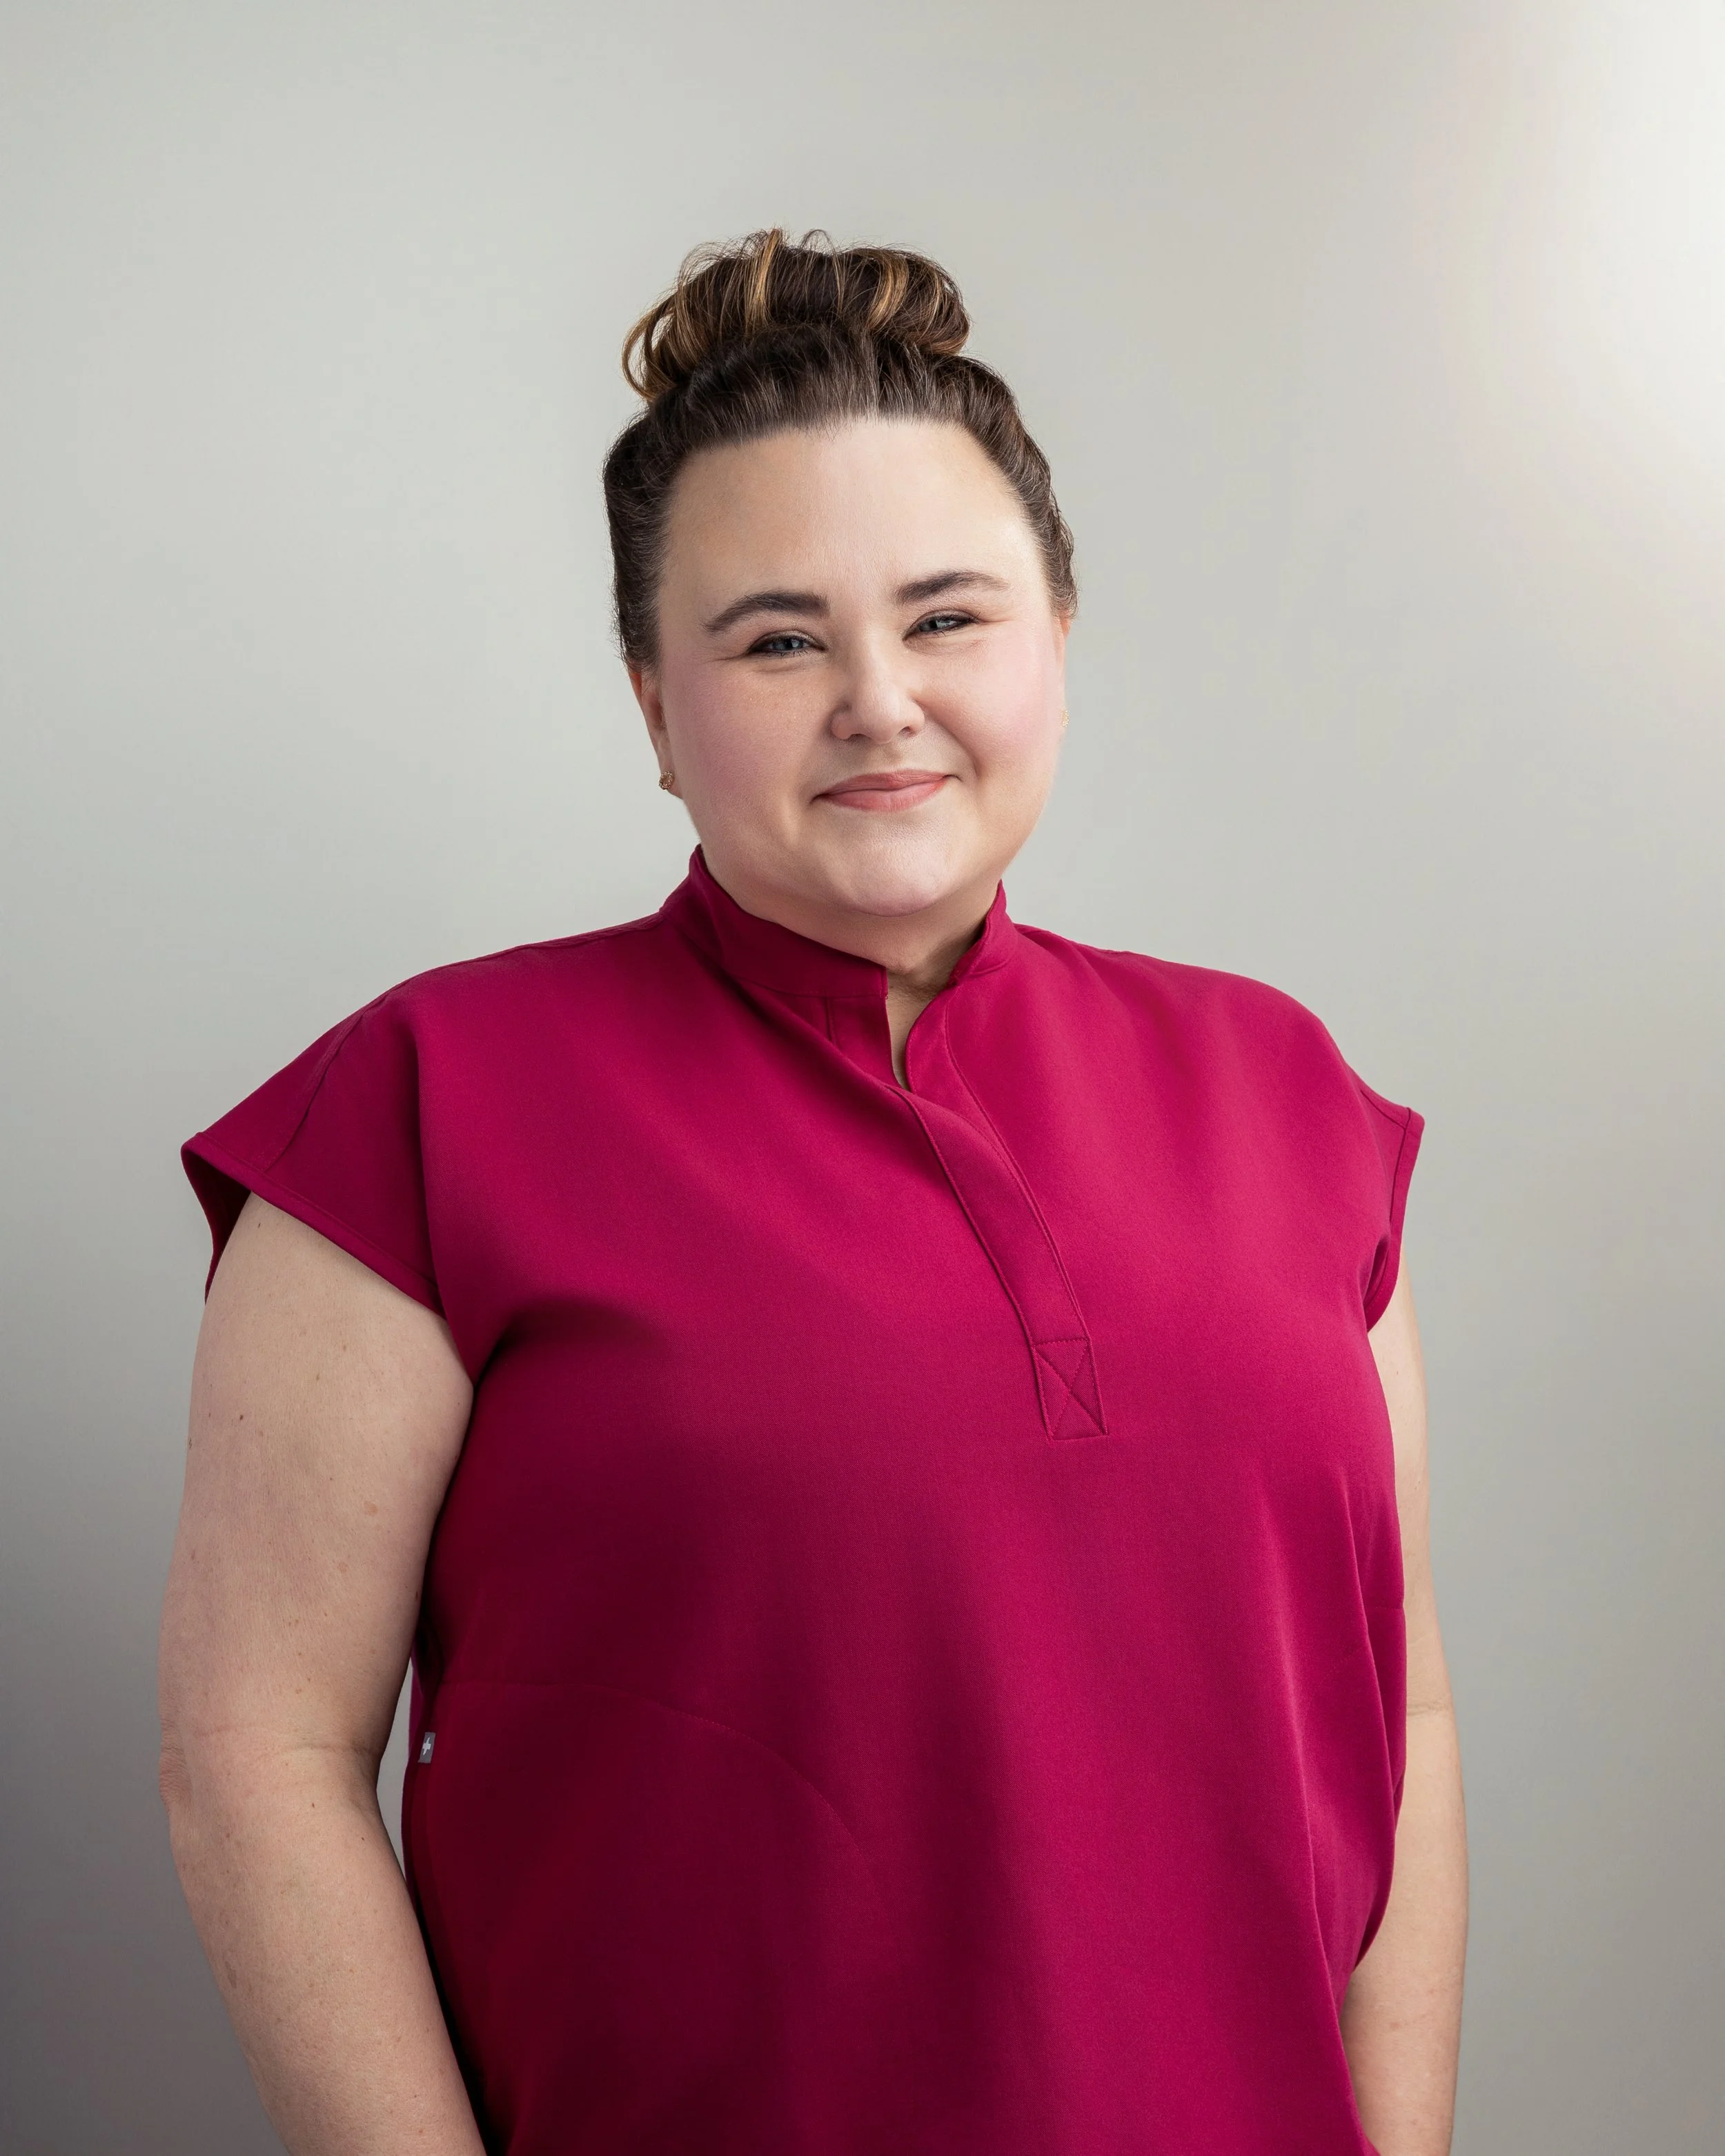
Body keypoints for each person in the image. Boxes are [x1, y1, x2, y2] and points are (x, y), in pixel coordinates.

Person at [158, 228, 1466, 2156]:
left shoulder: (1287, 1096)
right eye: (776, 637)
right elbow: (252, 1757)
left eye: (948, 617)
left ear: (1056, 641)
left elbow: (1400, 1722)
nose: (879, 698)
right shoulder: (422, 1106)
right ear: (649, 703)